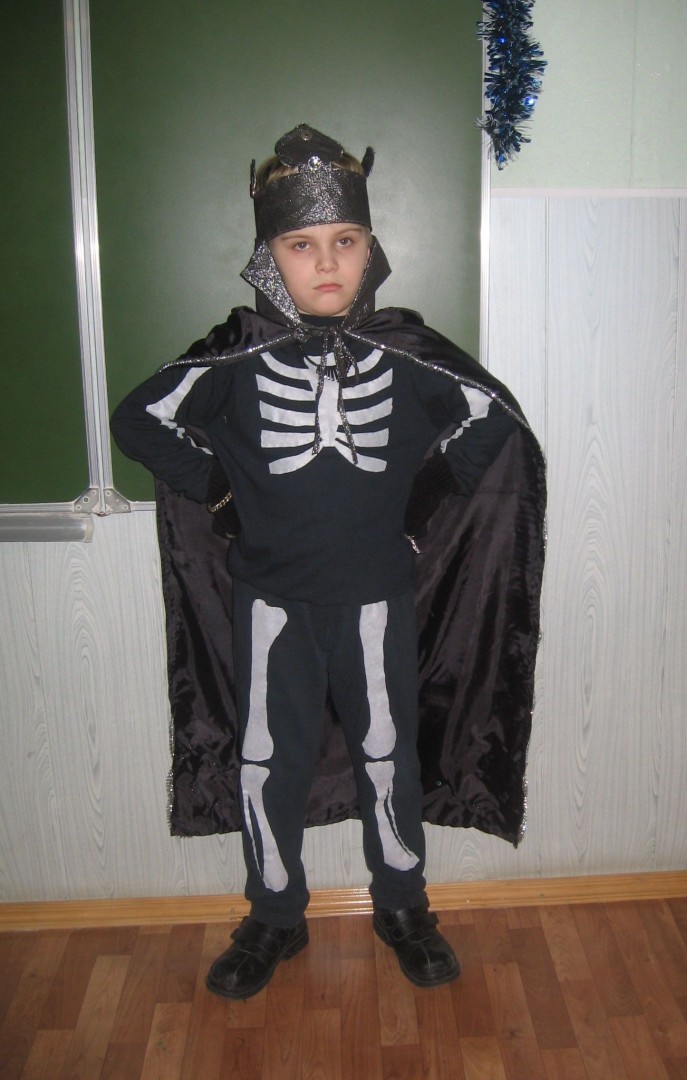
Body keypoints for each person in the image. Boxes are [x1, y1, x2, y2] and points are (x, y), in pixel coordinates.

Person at [111, 124, 545, 1001]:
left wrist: (421, 508)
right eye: (301, 245)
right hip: (271, 600)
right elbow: (138, 420)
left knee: (389, 754)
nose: (326, 263)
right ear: (268, 256)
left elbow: (490, 414)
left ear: (370, 249)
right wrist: (219, 495)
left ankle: (403, 905)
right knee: (266, 759)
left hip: (377, 596)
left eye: (344, 241)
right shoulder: (237, 354)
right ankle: (275, 913)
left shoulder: (404, 351)